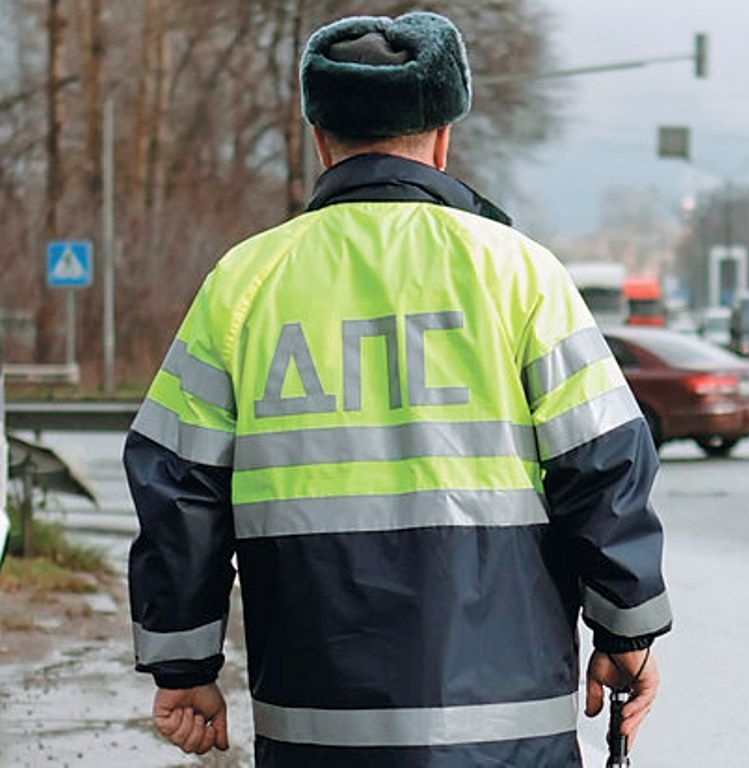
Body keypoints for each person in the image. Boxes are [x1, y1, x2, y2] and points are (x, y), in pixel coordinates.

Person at [125, 11, 671, 766]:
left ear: (320, 137)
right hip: (505, 736)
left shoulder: (243, 285)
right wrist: (626, 635)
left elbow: (175, 486)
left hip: (317, 732)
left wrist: (184, 668)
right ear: (444, 135)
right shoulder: (519, 275)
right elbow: (603, 465)